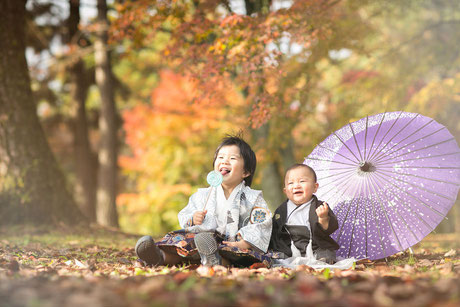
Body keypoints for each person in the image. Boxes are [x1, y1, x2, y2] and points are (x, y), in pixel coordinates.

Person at [135, 134, 272, 267]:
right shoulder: (203, 195)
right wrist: (193, 219)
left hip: (233, 244)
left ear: (245, 172)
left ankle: (214, 261)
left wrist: (245, 243)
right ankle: (159, 256)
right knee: (185, 244)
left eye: (232, 158)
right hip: (203, 240)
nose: (224, 161)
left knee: (232, 254)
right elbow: (185, 216)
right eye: (221, 157)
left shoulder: (252, 198)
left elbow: (261, 224)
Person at [269, 163, 339, 264]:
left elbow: (328, 229)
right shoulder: (281, 210)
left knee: (326, 253)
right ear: (285, 191)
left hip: (316, 246)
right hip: (289, 248)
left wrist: (323, 218)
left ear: (315, 187)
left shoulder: (320, 207)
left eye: (302, 181)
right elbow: (276, 232)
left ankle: (323, 260)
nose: (296, 185)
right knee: (277, 255)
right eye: (290, 183)